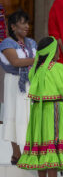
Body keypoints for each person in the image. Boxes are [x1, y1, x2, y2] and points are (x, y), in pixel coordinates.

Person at [17, 37, 63, 177]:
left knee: (43, 149)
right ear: (53, 51)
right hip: (56, 111)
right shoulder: (58, 68)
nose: (59, 51)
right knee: (54, 149)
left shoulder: (36, 71)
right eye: (57, 48)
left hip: (40, 113)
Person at [0, 11, 36, 165]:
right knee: (15, 115)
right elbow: (15, 62)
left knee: (29, 116)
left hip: (31, 83)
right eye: (23, 23)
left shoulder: (32, 43)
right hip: (14, 83)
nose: (27, 26)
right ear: (13, 26)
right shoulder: (7, 43)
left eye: (28, 23)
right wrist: (37, 59)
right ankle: (16, 154)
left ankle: (30, 151)